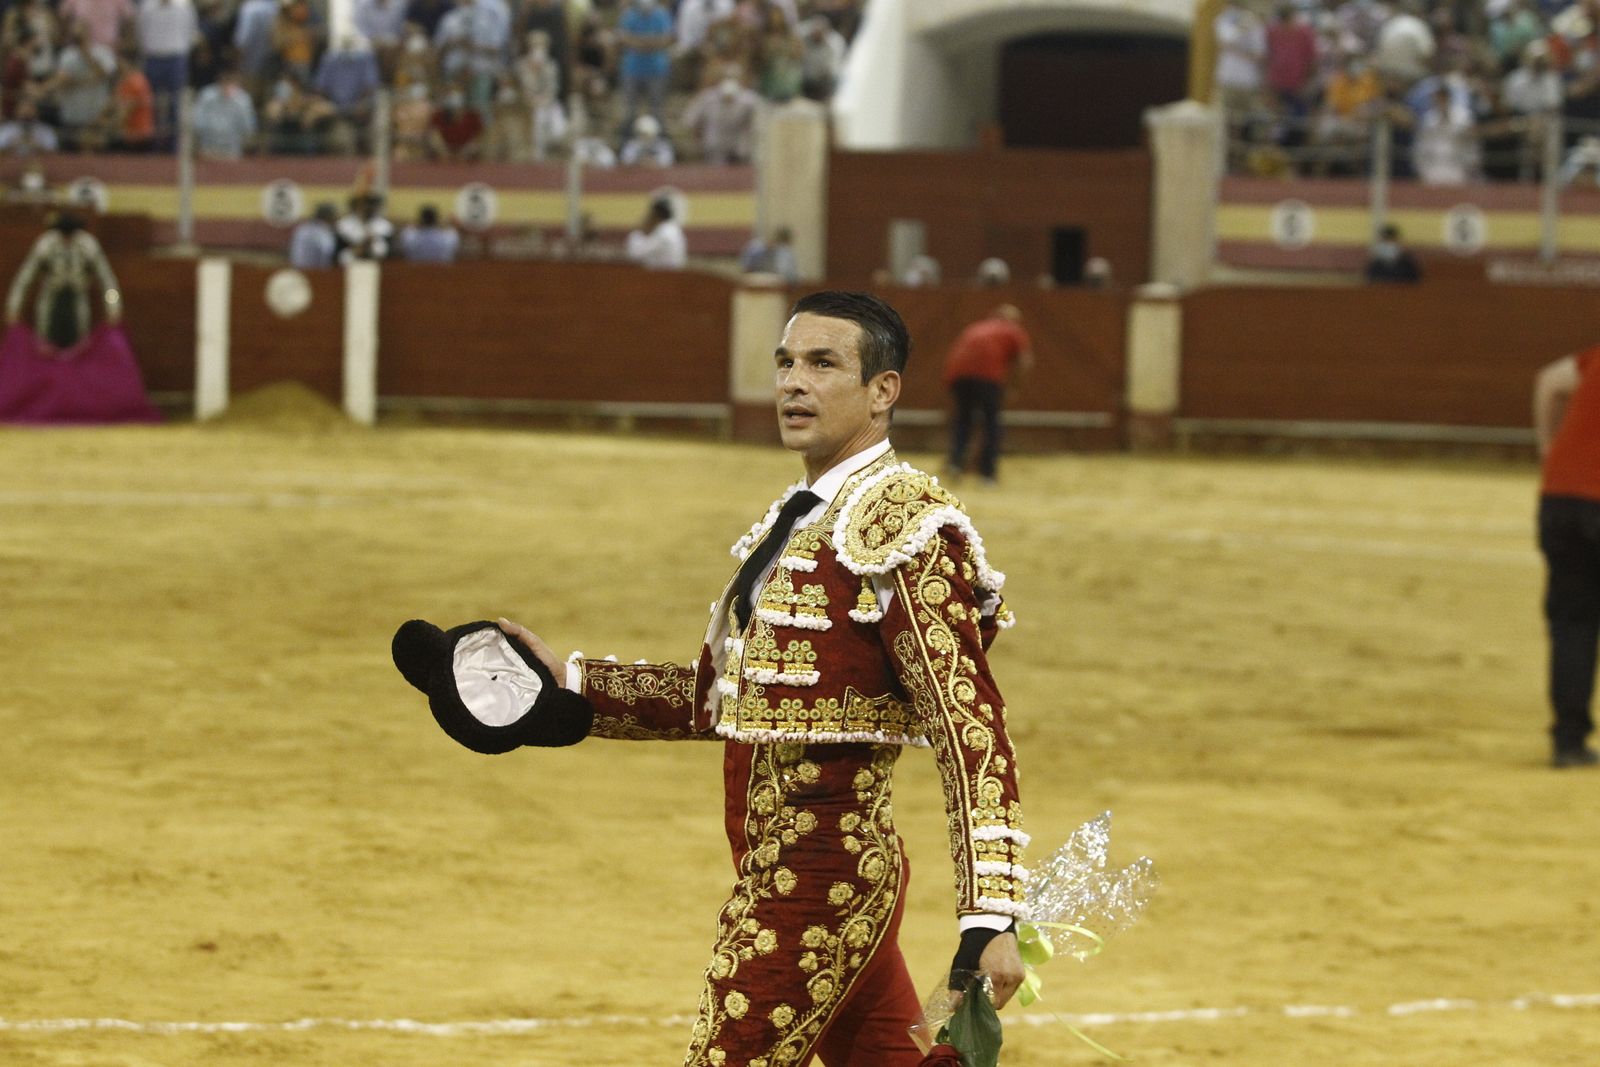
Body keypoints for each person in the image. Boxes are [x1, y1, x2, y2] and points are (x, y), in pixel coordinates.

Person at [495, 289, 1028, 1066]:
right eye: (785, 362)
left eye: (822, 363)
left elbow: (966, 723)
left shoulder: (903, 528)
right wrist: (572, 684)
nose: (793, 382)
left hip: (817, 885)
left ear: (883, 390)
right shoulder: (804, 517)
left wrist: (990, 915)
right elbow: (725, 696)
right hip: (789, 870)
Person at [1534, 348, 1600, 767]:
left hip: (1561, 497)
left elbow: (1550, 381)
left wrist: (1548, 445)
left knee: (1573, 622)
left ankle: (1569, 742)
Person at [942, 304, 1033, 484]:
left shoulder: (975, 328)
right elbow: (1025, 362)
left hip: (959, 377)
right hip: (988, 378)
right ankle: (987, 473)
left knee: (963, 420)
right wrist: (1014, 387)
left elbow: (956, 355)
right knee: (991, 423)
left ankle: (955, 463)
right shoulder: (1012, 330)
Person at [5, 212, 121, 349]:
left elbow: (107, 281)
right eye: (64, 234)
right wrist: (13, 307)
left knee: (79, 346)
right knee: (46, 345)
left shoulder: (88, 245)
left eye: (70, 234)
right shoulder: (45, 244)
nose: (67, 238)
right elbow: (24, 280)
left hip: (78, 297)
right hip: (51, 297)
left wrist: (113, 307)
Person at [624, 195, 686, 268]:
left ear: (656, 214)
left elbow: (635, 254)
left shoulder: (665, 231)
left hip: (664, 272)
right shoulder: (673, 229)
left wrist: (637, 232)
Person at [288, 201, 338, 268]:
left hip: (298, 269)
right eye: (334, 216)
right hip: (315, 270)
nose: (336, 219)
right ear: (329, 216)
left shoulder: (302, 228)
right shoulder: (323, 231)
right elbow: (326, 253)